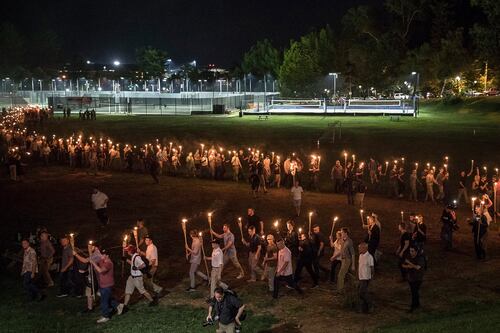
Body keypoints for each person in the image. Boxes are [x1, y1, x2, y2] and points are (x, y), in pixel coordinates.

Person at [119, 245, 157, 311]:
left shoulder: (136, 257)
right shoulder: (133, 256)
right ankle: (125, 306)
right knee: (128, 291)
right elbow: (133, 264)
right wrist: (126, 259)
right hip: (131, 277)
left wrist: (137, 268)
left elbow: (143, 265)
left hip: (137, 278)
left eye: (128, 250)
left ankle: (152, 300)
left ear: (130, 251)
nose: (127, 251)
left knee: (142, 291)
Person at [90, 249, 122, 323]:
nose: (101, 256)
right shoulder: (102, 260)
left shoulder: (109, 263)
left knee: (104, 301)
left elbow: (101, 270)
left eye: (103, 255)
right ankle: (118, 305)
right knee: (106, 298)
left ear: (107, 256)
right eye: (101, 254)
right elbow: (96, 258)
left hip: (107, 285)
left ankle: (106, 316)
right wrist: (93, 252)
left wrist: (94, 263)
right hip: (103, 284)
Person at [73, 242, 102, 313]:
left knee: (99, 293)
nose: (89, 248)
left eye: (90, 247)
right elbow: (89, 263)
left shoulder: (97, 255)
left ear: (95, 247)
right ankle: (90, 308)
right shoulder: (94, 254)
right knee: (89, 292)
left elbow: (85, 260)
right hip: (92, 277)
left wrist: (75, 254)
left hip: (96, 278)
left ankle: (113, 304)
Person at [402, 246, 425, 312]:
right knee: (414, 292)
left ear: (416, 251)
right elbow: (403, 265)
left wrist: (409, 264)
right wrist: (410, 266)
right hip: (411, 278)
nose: (411, 252)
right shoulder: (410, 257)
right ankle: (417, 304)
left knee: (414, 292)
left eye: (412, 251)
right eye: (410, 251)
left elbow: (418, 267)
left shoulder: (420, 258)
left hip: (418, 278)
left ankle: (413, 306)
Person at [337, 228, 355, 293]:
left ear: (345, 233)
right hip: (343, 260)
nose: (340, 233)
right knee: (344, 274)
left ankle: (340, 290)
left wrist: (353, 264)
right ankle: (353, 283)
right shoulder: (342, 240)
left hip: (347, 260)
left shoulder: (349, 241)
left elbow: (352, 253)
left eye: (342, 232)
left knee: (340, 275)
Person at [358, 242, 374, 313]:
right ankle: (363, 308)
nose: (358, 249)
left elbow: (372, 268)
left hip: (366, 277)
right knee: (362, 292)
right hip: (361, 277)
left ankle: (370, 305)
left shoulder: (369, 257)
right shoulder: (360, 256)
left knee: (362, 292)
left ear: (364, 248)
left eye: (360, 248)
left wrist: (371, 276)